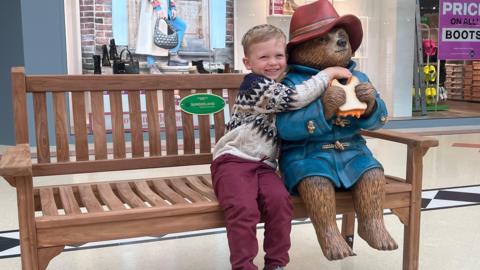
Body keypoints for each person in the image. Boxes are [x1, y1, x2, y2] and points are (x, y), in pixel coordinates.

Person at [210, 24, 351, 270]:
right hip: (233, 161)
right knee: (243, 210)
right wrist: (326, 73)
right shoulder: (254, 85)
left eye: (279, 56)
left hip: (264, 166)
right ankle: (243, 266)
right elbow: (293, 98)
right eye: (263, 57)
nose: (273, 62)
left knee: (280, 204)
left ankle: (276, 264)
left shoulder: (281, 81)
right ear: (247, 62)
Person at [136, 0, 187, 73]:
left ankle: (173, 55)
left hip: (166, 8)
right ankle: (151, 65)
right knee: (151, 35)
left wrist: (172, 7)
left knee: (181, 26)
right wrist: (157, 7)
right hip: (153, 8)